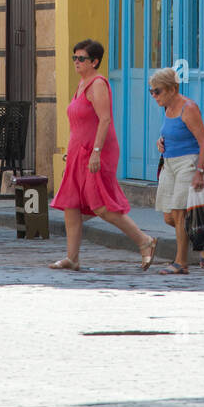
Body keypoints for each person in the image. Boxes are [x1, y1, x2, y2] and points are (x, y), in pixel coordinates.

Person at [50, 39, 157, 271]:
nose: (76, 62)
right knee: (72, 205)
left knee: (102, 205)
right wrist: (72, 151)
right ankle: (72, 258)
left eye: (81, 58)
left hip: (97, 151)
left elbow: (105, 119)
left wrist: (96, 152)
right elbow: (79, 122)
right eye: (74, 58)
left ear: (95, 61)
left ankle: (144, 241)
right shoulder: (81, 84)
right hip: (79, 152)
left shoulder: (97, 83)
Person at [152, 67, 204, 275]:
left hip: (188, 163)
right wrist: (161, 142)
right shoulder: (167, 108)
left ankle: (180, 262)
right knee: (169, 216)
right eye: (151, 91)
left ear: (172, 89)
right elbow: (171, 133)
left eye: (157, 91)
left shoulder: (189, 108)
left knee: (179, 213)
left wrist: (199, 172)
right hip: (169, 164)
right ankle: (202, 238)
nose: (154, 96)